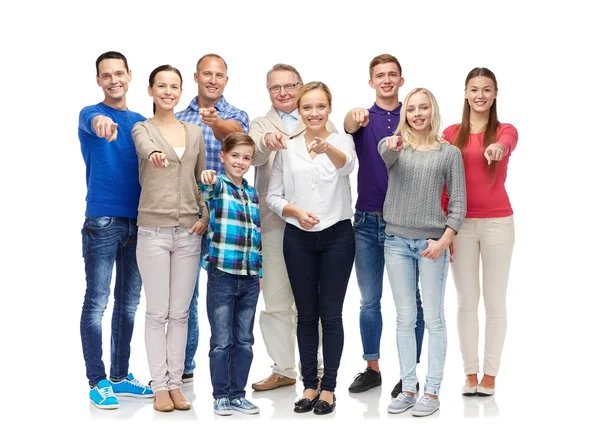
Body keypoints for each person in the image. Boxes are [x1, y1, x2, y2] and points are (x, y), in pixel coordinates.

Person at [267, 82, 356, 415]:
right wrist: (295, 211)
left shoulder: (341, 140)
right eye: (307, 107)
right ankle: (308, 384)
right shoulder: (287, 147)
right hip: (298, 238)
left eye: (320, 107)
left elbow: (347, 166)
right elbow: (273, 196)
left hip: (337, 236)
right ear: (299, 111)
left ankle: (329, 387)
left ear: (330, 108)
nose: (314, 113)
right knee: (306, 316)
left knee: (330, 316)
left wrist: (326, 149)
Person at [380, 88, 466, 416]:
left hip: (432, 245)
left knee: (433, 317)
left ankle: (431, 391)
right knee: (404, 317)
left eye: (423, 108)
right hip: (396, 243)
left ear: (432, 111)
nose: (417, 114)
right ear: (405, 114)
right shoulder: (396, 146)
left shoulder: (448, 153)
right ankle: (407, 387)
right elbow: (384, 152)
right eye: (412, 109)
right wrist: (393, 144)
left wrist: (444, 241)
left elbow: (458, 202)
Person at [343, 54, 425, 397]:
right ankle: (372, 367)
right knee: (368, 300)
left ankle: (411, 373)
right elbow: (347, 125)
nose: (387, 79)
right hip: (365, 220)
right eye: (380, 75)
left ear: (401, 81)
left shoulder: (415, 115)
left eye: (392, 74)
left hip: (406, 223)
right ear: (371, 81)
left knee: (412, 303)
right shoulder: (363, 119)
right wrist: (351, 115)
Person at [78, 51, 153, 410]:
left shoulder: (140, 122)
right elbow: (95, 122)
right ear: (99, 80)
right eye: (106, 75)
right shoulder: (90, 114)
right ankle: (98, 380)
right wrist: (101, 125)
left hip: (139, 221)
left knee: (128, 304)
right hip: (103, 221)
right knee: (97, 302)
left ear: (129, 75)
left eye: (118, 73)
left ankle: (121, 376)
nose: (113, 80)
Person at [132, 65, 209, 412]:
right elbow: (145, 145)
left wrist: (205, 215)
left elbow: (200, 180)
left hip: (189, 232)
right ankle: (159, 386)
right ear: (150, 90)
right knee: (157, 313)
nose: (168, 91)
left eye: (174, 86)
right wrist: (153, 154)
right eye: (161, 85)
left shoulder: (194, 132)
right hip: (153, 232)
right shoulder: (142, 128)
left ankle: (176, 384)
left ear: (181, 92)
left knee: (180, 314)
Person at [249, 64, 330, 391]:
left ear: (300, 86)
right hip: (273, 225)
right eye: (275, 88)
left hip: (314, 225)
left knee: (312, 301)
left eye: (289, 86)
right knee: (276, 300)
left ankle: (318, 367)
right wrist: (267, 141)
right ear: (268, 92)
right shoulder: (260, 124)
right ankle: (283, 369)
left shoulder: (318, 118)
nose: (282, 92)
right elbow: (253, 155)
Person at [442, 67, 518, 397]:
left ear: (495, 93)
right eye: (474, 89)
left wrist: (497, 149)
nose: (480, 95)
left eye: (487, 89)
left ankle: (491, 374)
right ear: (465, 93)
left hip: (498, 223)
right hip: (460, 225)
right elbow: (443, 184)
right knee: (466, 301)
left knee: (495, 300)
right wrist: (445, 231)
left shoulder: (505, 130)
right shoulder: (450, 133)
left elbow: (506, 143)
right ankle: (470, 373)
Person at [175, 53, 250, 383]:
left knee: (228, 296)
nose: (213, 79)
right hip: (190, 217)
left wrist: (214, 121)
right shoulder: (178, 118)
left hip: (228, 222)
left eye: (219, 75)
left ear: (226, 80)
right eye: (207, 73)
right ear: (196, 77)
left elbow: (234, 136)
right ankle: (184, 366)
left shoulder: (237, 115)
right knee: (185, 295)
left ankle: (229, 373)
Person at [199, 133, 262, 416]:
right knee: (221, 340)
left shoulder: (251, 193)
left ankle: (238, 394)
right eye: (235, 156)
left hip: (249, 277)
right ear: (223, 156)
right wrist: (207, 177)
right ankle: (220, 395)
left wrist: (258, 272)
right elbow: (206, 188)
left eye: (246, 158)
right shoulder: (219, 185)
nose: (240, 162)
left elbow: (255, 235)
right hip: (222, 274)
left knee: (244, 340)